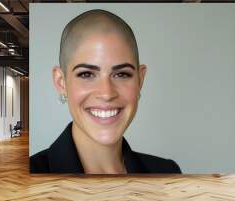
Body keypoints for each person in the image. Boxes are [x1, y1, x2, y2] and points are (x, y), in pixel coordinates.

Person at [30, 9, 181, 174]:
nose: (107, 93)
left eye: (121, 74)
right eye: (86, 74)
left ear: (140, 80)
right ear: (61, 82)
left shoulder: (167, 172)